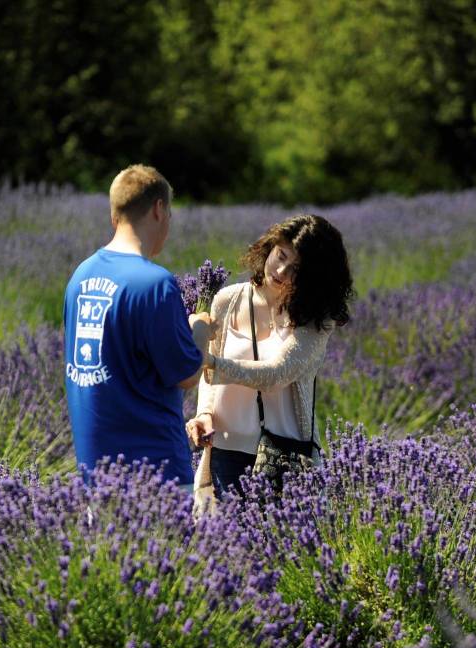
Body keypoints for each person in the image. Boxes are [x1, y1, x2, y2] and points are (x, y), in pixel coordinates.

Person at [187, 214, 353, 514]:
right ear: (271, 246)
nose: (281, 271)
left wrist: (209, 360)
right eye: (281, 255)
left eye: (297, 269)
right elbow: (208, 376)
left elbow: (276, 374)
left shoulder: (316, 319)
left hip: (285, 459)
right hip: (225, 451)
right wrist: (204, 414)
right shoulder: (228, 300)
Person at [64, 164, 211, 488]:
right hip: (155, 472)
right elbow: (186, 374)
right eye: (169, 214)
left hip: (94, 472)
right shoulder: (154, 283)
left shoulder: (80, 276)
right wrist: (201, 330)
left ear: (115, 214)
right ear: (159, 210)